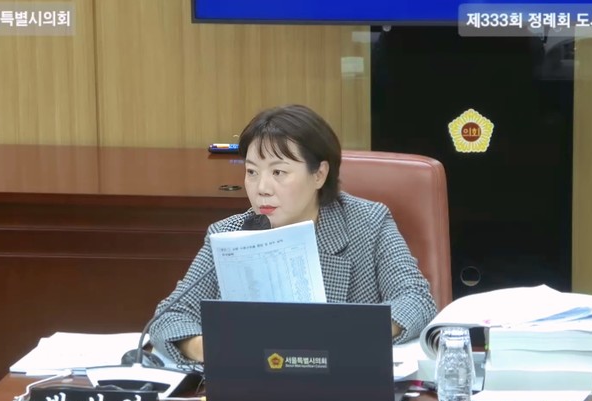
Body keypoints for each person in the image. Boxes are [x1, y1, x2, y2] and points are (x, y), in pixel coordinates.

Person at [149, 104, 438, 363]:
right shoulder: (229, 235)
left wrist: (347, 334)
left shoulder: (368, 223)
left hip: (344, 382)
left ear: (319, 174)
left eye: (278, 172)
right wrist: (207, 348)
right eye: (252, 172)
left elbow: (415, 299)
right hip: (255, 385)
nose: (262, 188)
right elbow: (170, 317)